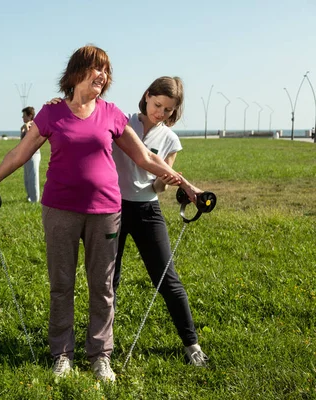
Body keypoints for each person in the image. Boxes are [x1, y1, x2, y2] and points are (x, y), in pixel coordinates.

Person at [0, 45, 202, 381]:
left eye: (106, 71)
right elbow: (19, 154)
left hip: (106, 212)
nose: (103, 75)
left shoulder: (111, 113)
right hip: (60, 210)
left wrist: (189, 186)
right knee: (61, 284)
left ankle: (100, 356)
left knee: (103, 286)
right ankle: (62, 355)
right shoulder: (52, 113)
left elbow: (145, 158)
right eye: (97, 68)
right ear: (77, 72)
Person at [111, 76, 209, 367]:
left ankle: (191, 344)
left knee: (169, 280)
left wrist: (164, 182)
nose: (160, 113)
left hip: (147, 211)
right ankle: (103, 343)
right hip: (112, 209)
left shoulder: (170, 139)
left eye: (167, 110)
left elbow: (157, 187)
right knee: (108, 281)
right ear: (147, 96)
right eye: (157, 105)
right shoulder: (120, 122)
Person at [20, 106, 41, 202]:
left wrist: (26, 128)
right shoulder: (25, 126)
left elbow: (31, 138)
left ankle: (34, 199)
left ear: (30, 116)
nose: (22, 117)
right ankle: (29, 196)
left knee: (33, 177)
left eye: (24, 115)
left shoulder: (34, 125)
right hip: (26, 154)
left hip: (33, 154)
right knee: (27, 177)